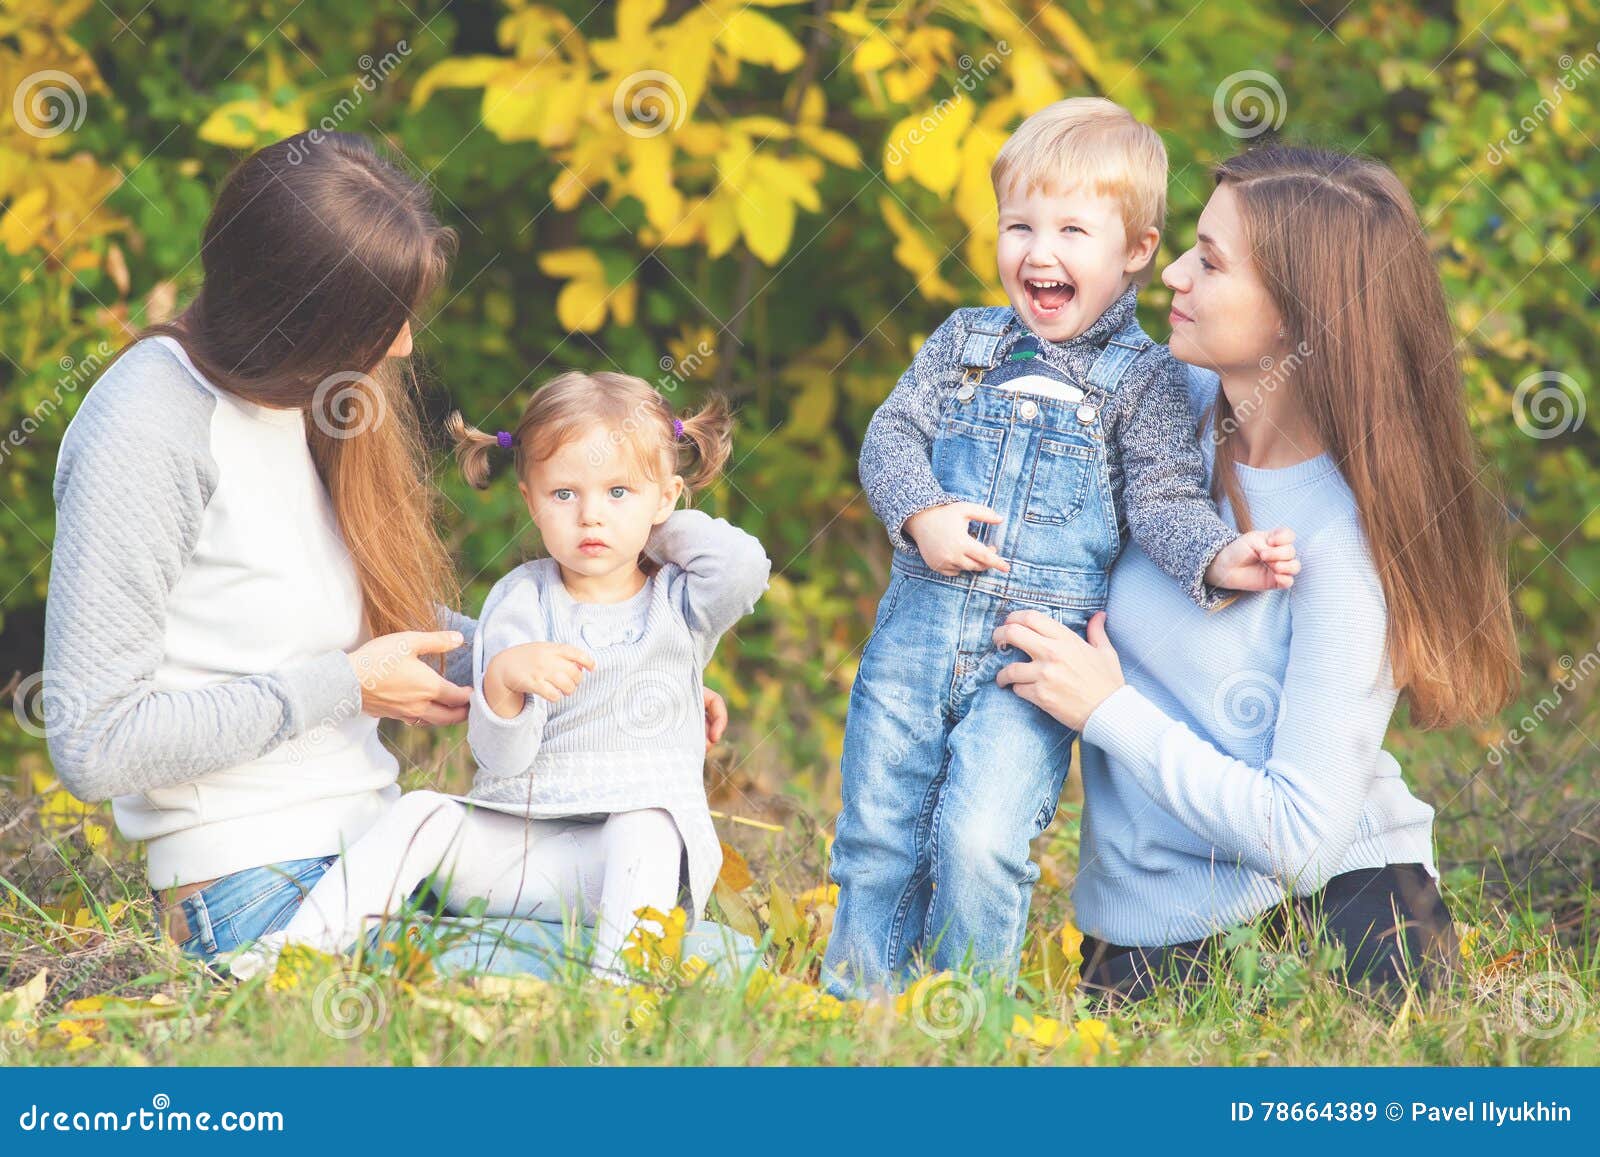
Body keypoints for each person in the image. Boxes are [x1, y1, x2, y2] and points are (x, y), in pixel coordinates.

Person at [42, 131, 729, 967]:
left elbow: (334, 611)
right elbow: (94, 740)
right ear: (300, 314)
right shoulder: (147, 429)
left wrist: (623, 675)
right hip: (255, 888)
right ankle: (276, 987)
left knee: (706, 948)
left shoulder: (291, 398)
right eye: (383, 318)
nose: (402, 344)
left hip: (375, 852)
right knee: (699, 972)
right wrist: (345, 686)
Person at [987, 146, 1519, 1003]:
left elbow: (1301, 836)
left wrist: (1108, 709)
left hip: (1336, 914)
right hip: (1142, 915)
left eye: (1210, 260)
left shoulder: (1342, 543)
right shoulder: (1167, 418)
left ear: (1297, 319)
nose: (1171, 273)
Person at [823, 99, 1299, 997]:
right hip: (915, 640)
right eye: (1020, 226)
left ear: (1135, 250)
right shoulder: (964, 342)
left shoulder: (1149, 378)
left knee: (980, 834)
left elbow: (1161, 493)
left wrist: (1215, 556)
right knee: (880, 828)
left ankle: (962, 1019)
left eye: (1072, 229)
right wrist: (920, 511)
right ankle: (861, 1005)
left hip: (1031, 660)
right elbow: (890, 437)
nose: (1039, 253)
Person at [230, 371, 771, 981]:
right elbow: (500, 758)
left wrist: (650, 523)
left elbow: (744, 565)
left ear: (667, 497)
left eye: (617, 491)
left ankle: (619, 986)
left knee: (645, 823)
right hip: (521, 855)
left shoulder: (680, 603)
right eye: (564, 494)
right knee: (422, 813)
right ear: (530, 500)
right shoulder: (520, 601)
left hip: (627, 871)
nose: (592, 516)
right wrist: (502, 684)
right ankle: (293, 955)